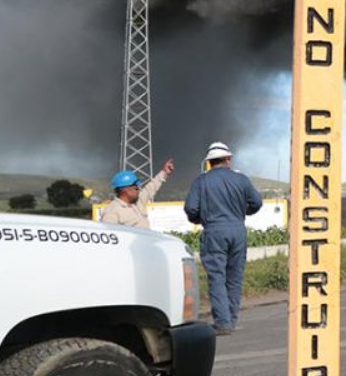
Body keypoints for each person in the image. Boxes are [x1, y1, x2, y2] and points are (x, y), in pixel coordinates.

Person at [184, 142, 263, 335]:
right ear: (228, 159)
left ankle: (223, 323)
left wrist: (202, 218)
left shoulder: (201, 181)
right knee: (234, 277)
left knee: (217, 277)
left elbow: (191, 208)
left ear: (209, 162)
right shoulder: (241, 179)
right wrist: (241, 212)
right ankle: (232, 319)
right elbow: (257, 202)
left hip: (214, 231)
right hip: (237, 229)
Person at [100, 158, 175, 229]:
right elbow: (110, 237)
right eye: (136, 188)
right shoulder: (112, 212)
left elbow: (150, 188)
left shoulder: (138, 202)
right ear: (125, 190)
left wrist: (164, 172)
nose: (139, 190)